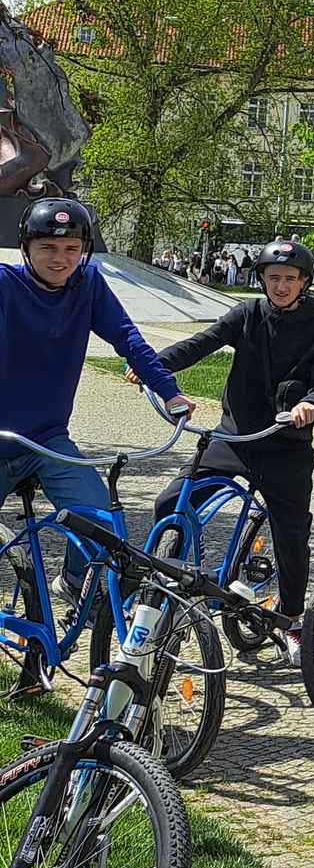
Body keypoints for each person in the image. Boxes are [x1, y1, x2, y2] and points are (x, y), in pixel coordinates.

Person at [1, 198, 192, 616]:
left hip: (46, 441)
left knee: (100, 522)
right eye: (48, 248)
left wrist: (169, 392)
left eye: (71, 249)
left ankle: (74, 583)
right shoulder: (4, 286)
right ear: (26, 248)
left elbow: (127, 338)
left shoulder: (87, 284)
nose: (60, 259)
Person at [149, 239, 314, 652]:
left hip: (285, 448)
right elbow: (203, 342)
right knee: (171, 501)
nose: (281, 286)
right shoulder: (247, 314)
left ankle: (291, 617)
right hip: (234, 439)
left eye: (290, 279)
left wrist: (311, 404)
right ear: (262, 279)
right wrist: (154, 366)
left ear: (304, 282)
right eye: (274, 278)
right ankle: (169, 580)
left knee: (291, 532)